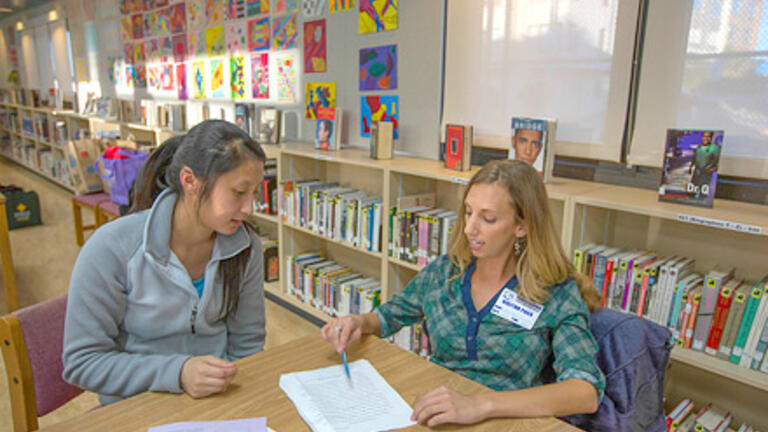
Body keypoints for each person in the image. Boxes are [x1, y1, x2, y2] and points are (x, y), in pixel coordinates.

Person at [322, 159, 605, 427]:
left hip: (508, 420)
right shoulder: (446, 272)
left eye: (488, 218)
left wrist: (482, 405)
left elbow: (584, 392)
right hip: (437, 411)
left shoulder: (555, 291)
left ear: (523, 226)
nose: (469, 229)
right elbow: (386, 319)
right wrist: (358, 322)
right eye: (468, 212)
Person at [63, 120, 268, 406]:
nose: (249, 209)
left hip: (218, 402)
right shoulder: (112, 248)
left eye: (255, 193)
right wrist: (178, 372)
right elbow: (82, 362)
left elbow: (247, 343)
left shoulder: (245, 247)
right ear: (190, 181)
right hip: (137, 406)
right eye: (239, 192)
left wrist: (239, 404)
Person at [688, 131, 720, 198]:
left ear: (711, 138)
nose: (706, 138)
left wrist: (711, 170)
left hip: (706, 174)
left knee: (703, 194)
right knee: (692, 192)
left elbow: (717, 163)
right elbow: (694, 159)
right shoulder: (698, 148)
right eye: (704, 136)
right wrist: (690, 167)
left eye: (708, 136)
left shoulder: (715, 149)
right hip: (697, 173)